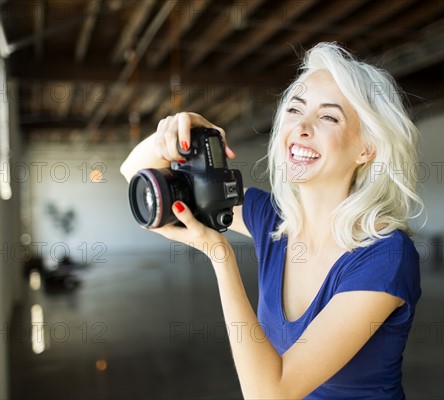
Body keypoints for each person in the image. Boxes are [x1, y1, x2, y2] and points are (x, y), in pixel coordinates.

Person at [121, 42, 423, 399]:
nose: (302, 128)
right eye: (295, 110)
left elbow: (269, 393)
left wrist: (220, 257)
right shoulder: (272, 219)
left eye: (329, 117)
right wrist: (172, 136)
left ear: (366, 149)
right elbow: (134, 172)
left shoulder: (384, 256)